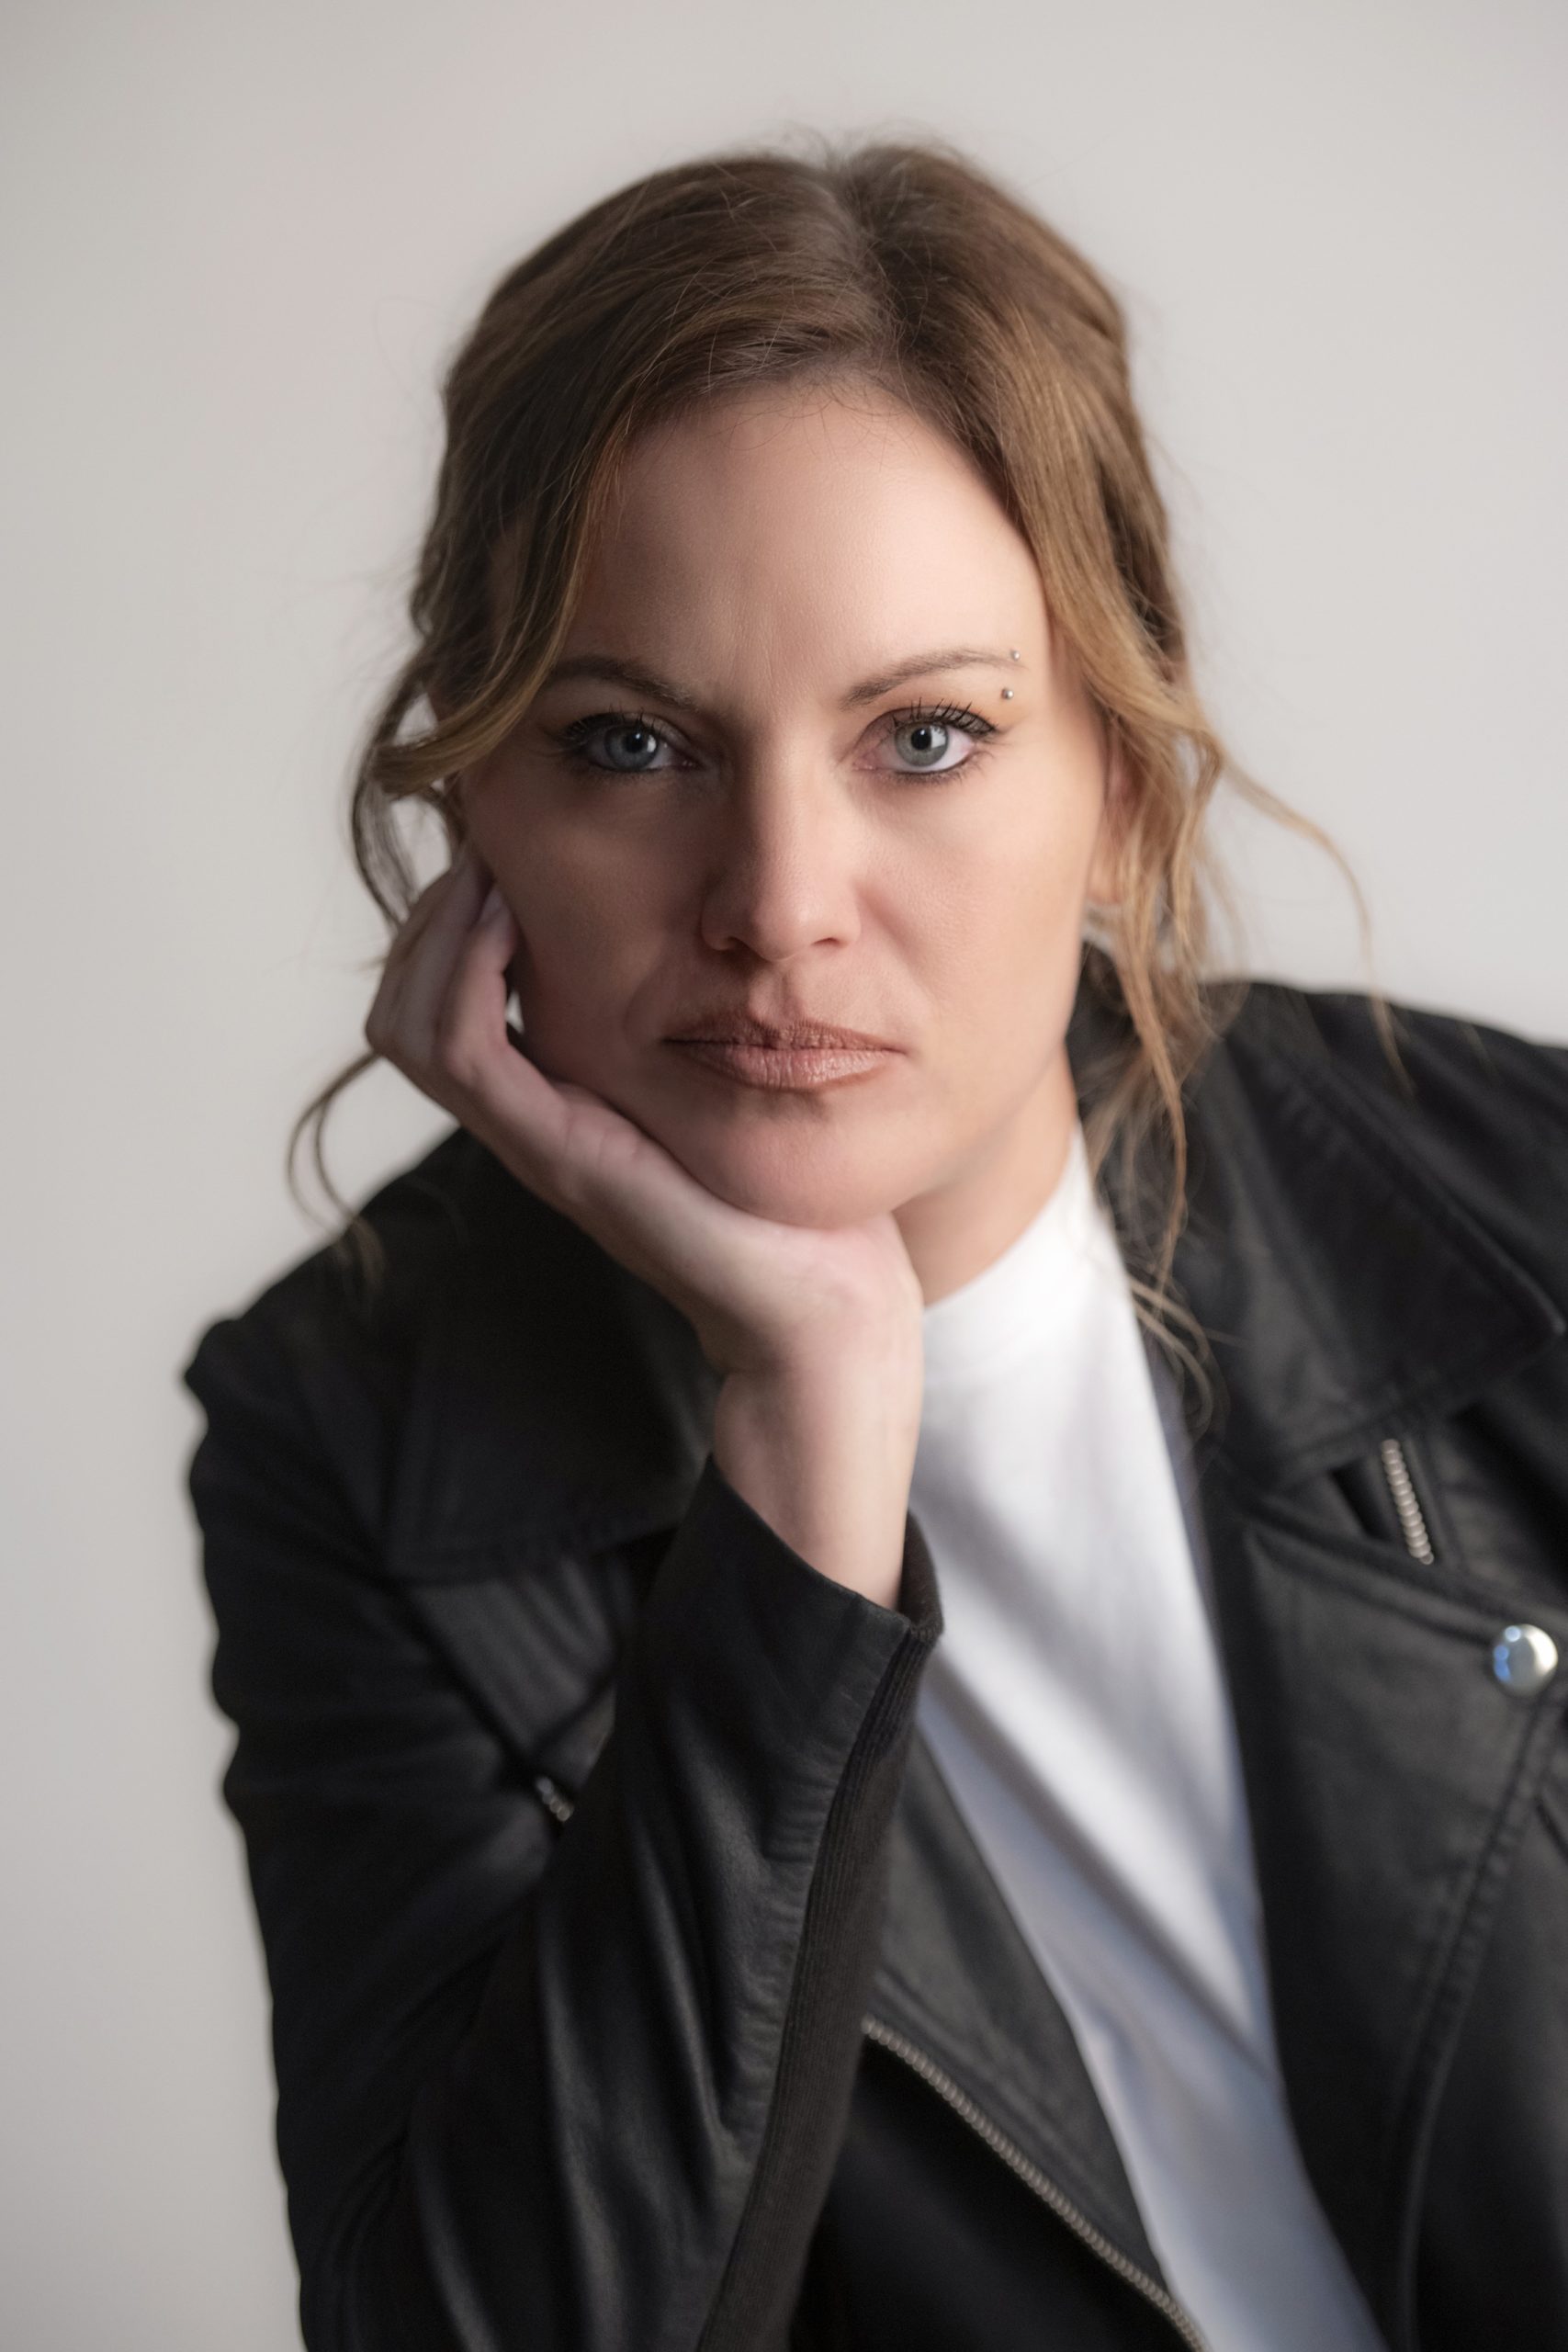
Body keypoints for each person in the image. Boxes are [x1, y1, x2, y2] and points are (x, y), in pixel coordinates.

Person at [180, 135, 1568, 2352]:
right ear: (474, 799)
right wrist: (810, 1438)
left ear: (1116, 776)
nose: (777, 902)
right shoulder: (355, 1439)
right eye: (629, 741)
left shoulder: (1524, 1210)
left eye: (923, 735)